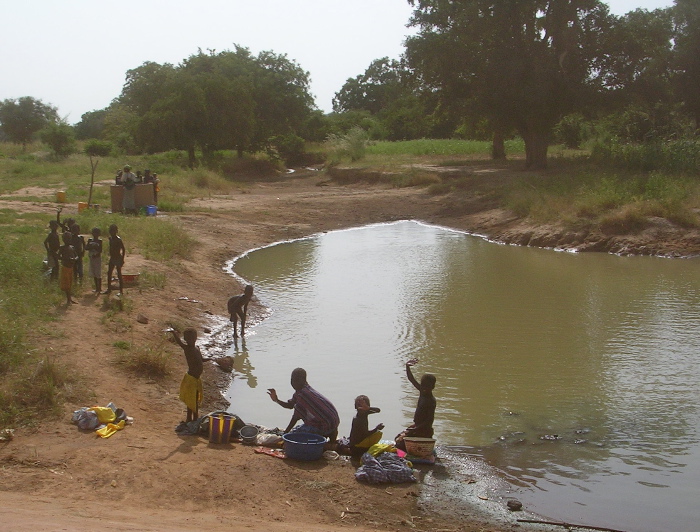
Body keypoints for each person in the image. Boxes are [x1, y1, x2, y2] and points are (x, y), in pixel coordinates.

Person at [267, 367, 340, 442]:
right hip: (334, 422)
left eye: (295, 380)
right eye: (292, 380)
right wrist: (276, 400)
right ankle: (331, 435)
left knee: (295, 434)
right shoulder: (305, 390)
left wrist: (285, 433)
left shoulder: (302, 395)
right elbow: (290, 405)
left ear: (303, 380)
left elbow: (295, 418)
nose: (293, 383)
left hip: (326, 426)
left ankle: (324, 436)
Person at [394, 359, 436, 452]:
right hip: (417, 427)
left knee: (400, 443)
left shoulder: (431, 401)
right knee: (397, 438)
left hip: (424, 431)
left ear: (432, 387)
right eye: (423, 386)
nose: (424, 389)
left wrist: (412, 431)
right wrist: (407, 367)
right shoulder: (422, 392)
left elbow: (428, 421)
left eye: (427, 387)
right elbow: (412, 380)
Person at [170, 328, 204, 423]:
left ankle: (192, 419)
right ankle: (193, 419)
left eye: (192, 338)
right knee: (191, 401)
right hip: (191, 379)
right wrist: (174, 333)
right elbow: (179, 343)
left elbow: (202, 360)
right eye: (188, 339)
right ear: (185, 339)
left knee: (194, 400)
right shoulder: (187, 349)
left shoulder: (197, 349)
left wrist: (212, 359)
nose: (190, 340)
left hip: (196, 379)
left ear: (196, 338)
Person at [104, 224, 125, 295]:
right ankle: (109, 289)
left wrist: (122, 259)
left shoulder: (118, 239)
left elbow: (123, 249)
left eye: (113, 231)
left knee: (119, 274)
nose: (111, 232)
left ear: (116, 231)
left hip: (117, 258)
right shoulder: (110, 239)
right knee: (109, 273)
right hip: (112, 258)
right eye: (110, 230)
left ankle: (121, 291)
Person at [58, 231, 78, 305]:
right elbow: (58, 256)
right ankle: (68, 300)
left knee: (69, 283)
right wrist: (64, 258)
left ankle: (69, 299)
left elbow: (77, 256)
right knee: (66, 284)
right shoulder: (62, 248)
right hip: (65, 267)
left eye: (69, 239)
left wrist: (74, 259)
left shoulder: (72, 247)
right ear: (63, 240)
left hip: (71, 267)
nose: (68, 240)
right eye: (66, 239)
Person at [86, 227, 103, 293]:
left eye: (97, 233)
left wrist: (95, 247)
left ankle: (99, 288)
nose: (95, 234)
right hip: (91, 258)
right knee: (94, 273)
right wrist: (91, 246)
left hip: (97, 258)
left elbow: (100, 250)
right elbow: (86, 248)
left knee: (98, 273)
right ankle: (97, 288)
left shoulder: (99, 241)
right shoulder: (90, 240)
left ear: (99, 234)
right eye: (94, 233)